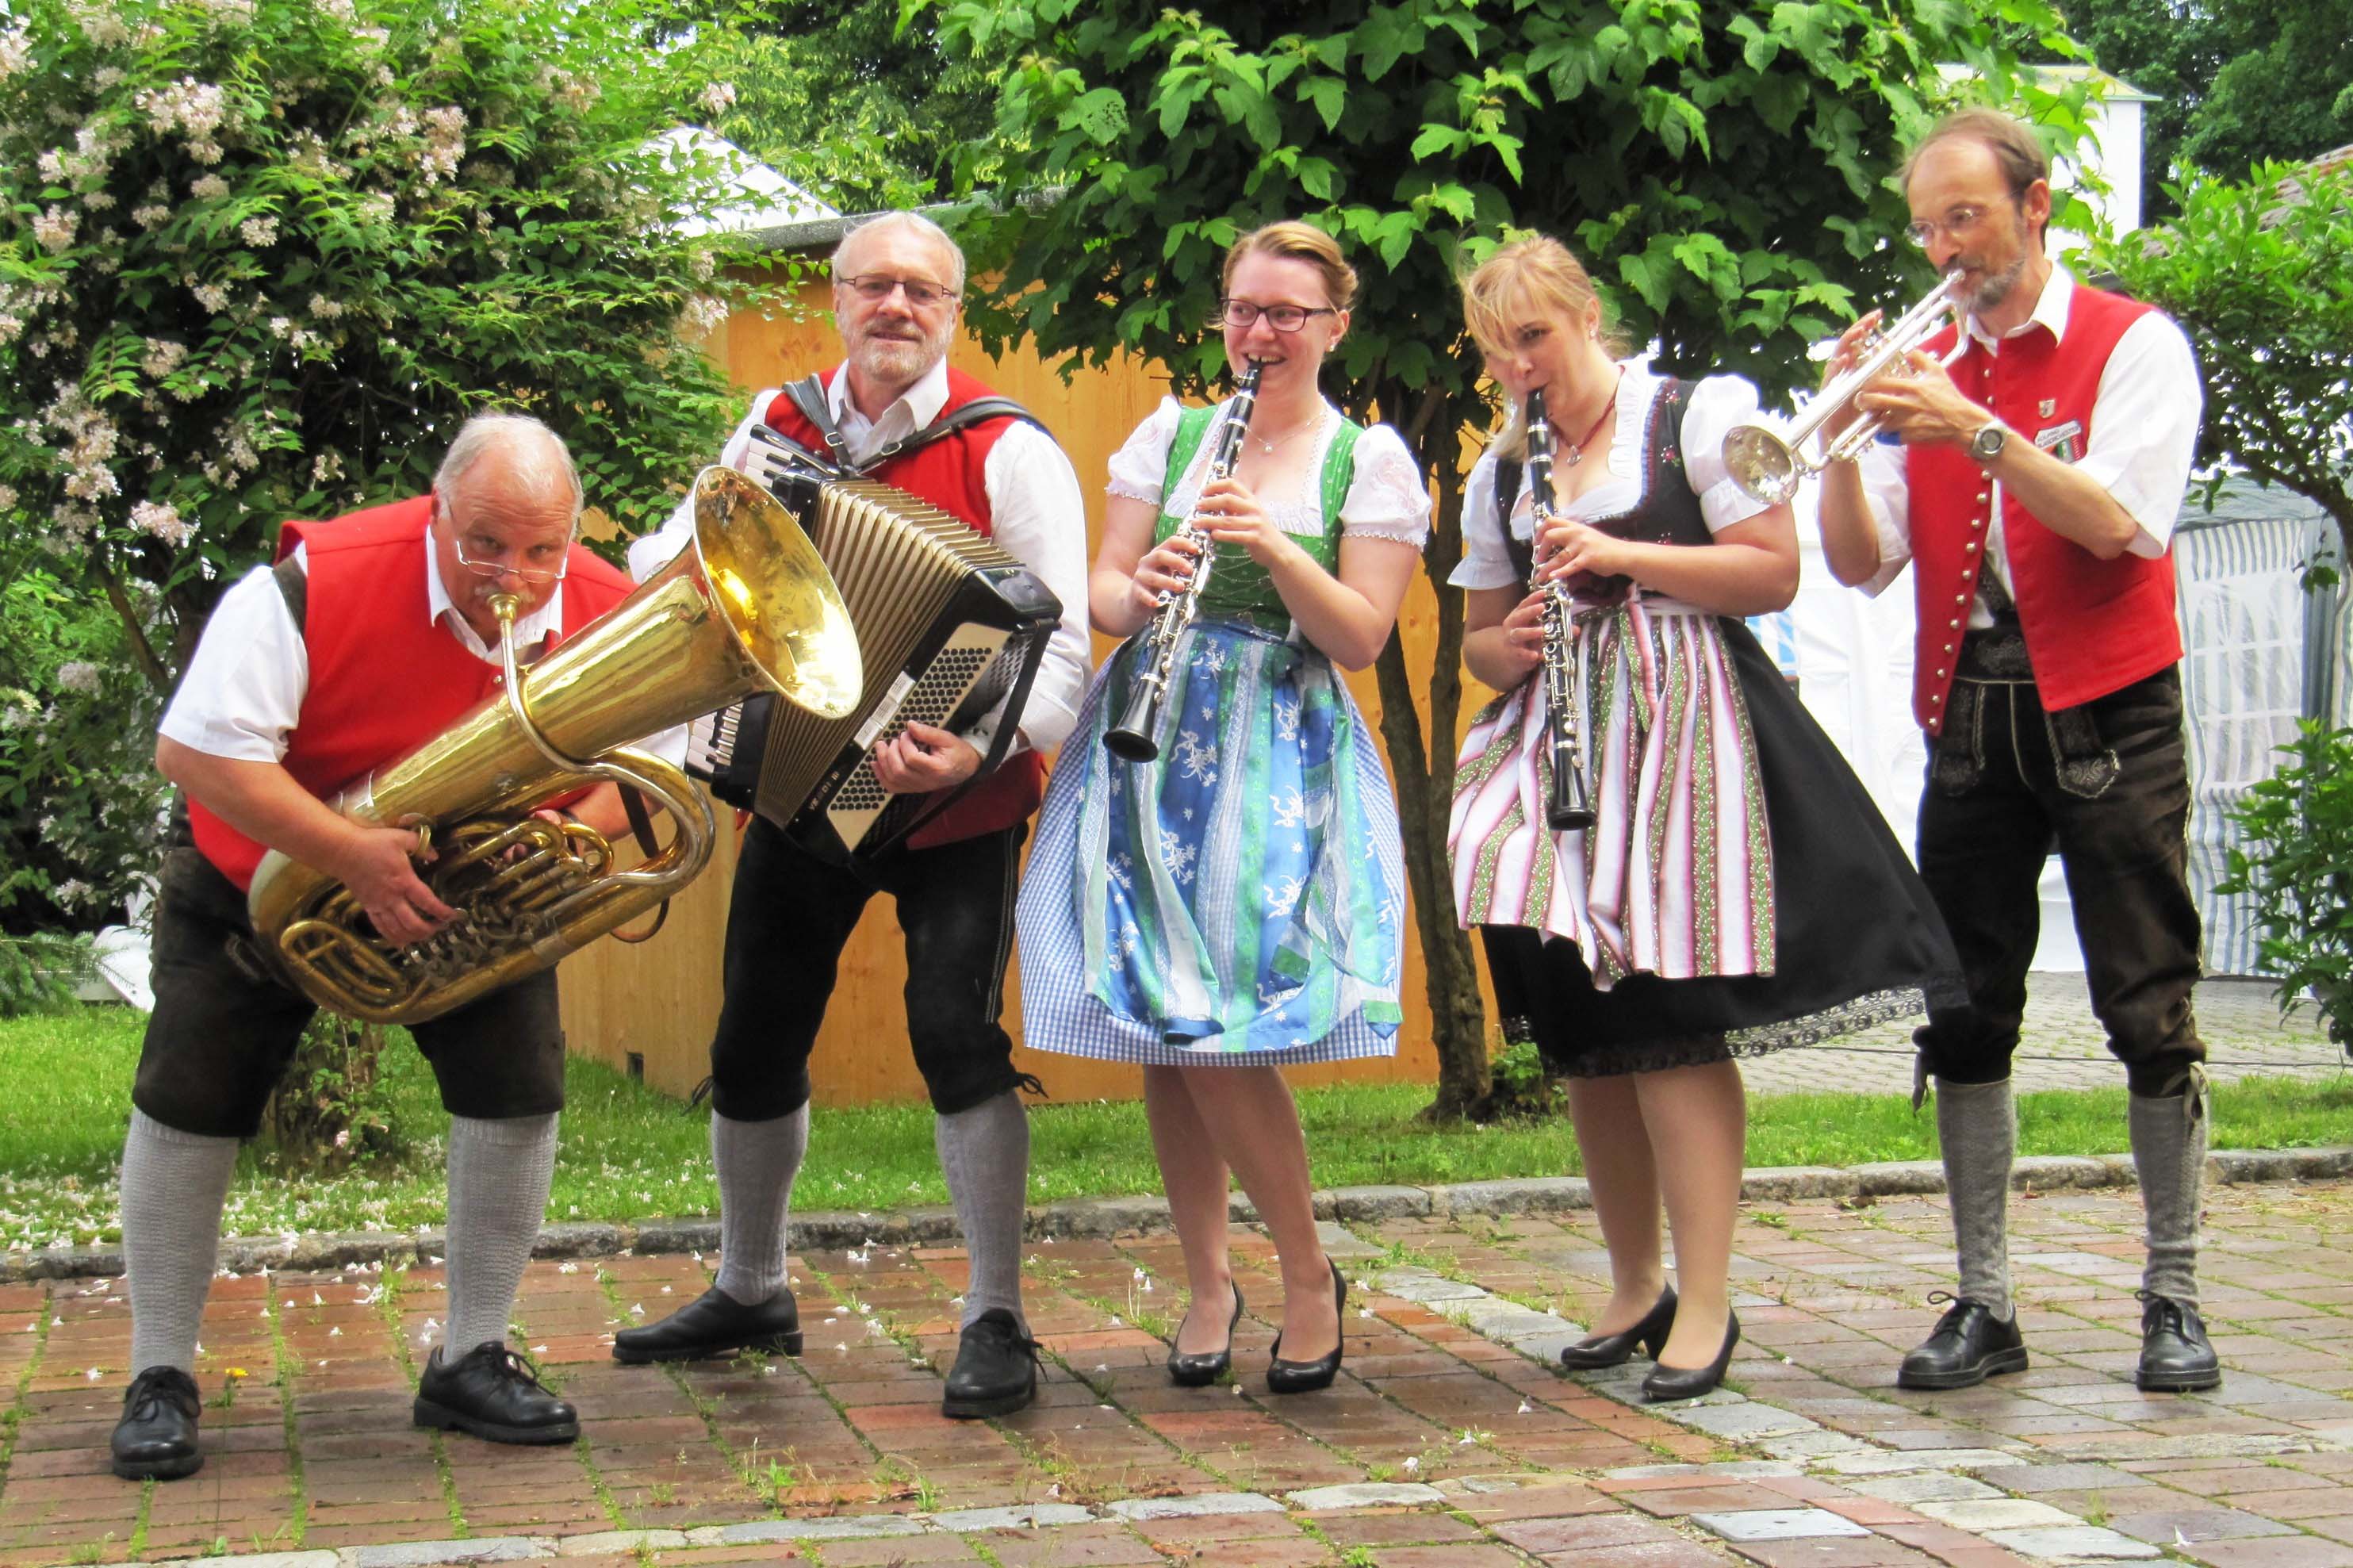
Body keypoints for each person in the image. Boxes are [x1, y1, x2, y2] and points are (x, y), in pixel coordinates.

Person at [1448, 237, 1964, 1401]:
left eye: (1536, 337)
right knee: (1585, 1024)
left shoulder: (1691, 414)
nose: (1520, 365)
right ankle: (1635, 1283)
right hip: (1562, 744)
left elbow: (1772, 572)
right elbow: (1481, 642)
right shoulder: (1502, 470)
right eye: (1499, 350)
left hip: (1686, 732)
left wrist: (1619, 554)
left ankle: (1710, 1298)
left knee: (1678, 1015)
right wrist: (1512, 643)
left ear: (1587, 315)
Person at [615, 211, 1090, 1419]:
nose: (895, 307)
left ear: (952, 311)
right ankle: (751, 1284)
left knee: (954, 1034)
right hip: (803, 783)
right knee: (753, 1040)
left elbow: (1067, 651)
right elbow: (671, 560)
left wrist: (970, 741)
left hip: (951, 796)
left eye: (921, 292)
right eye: (873, 285)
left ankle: (995, 1310)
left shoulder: (1008, 448)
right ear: (835, 298)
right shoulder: (778, 431)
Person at [113, 414, 642, 1480]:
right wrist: (350, 854)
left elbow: (648, 761)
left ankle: (472, 1352)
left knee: (518, 1088)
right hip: (264, 868)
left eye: (543, 549)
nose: (516, 576)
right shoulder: (315, 582)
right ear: (436, 511)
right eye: (487, 542)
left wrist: (569, 829)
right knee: (191, 1094)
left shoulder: (603, 605)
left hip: (464, 883)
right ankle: (157, 1371)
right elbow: (197, 749)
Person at [1815, 109, 2215, 1394]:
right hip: (1974, 710)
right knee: (1967, 1005)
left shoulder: (2133, 343)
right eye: (1927, 224)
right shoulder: (1927, 377)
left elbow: (2122, 524)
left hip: (2110, 703)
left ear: (2036, 208)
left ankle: (2176, 1294)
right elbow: (1862, 563)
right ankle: (1986, 1302)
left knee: (2146, 1000)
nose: (1942, 249)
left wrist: (1975, 430)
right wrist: (1836, 433)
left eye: (1965, 219)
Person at [1017, 220, 1428, 1395]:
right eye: (1244, 311)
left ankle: (1304, 1272)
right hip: (1150, 735)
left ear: (1333, 327)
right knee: (1161, 1014)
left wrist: (1272, 548)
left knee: (1221, 1020)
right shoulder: (1176, 433)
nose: (1259, 334)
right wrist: (1132, 587)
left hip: (1278, 752)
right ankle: (1208, 1280)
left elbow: (1358, 633)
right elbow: (1101, 592)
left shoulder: (1369, 460)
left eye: (1287, 315)